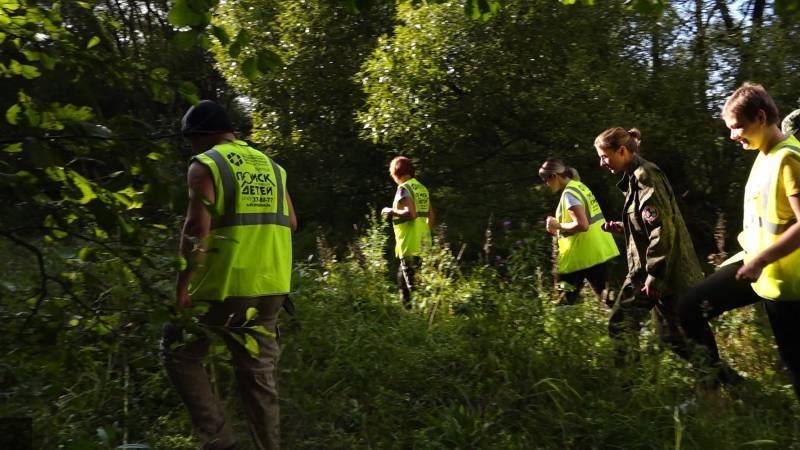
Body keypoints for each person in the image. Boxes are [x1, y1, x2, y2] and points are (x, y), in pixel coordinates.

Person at [162, 100, 297, 450]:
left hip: (221, 287)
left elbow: (195, 229)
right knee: (258, 374)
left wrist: (182, 287)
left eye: (191, 141)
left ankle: (219, 440)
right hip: (272, 284)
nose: (191, 148)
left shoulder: (206, 164)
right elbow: (292, 222)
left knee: (179, 349)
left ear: (201, 136)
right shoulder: (271, 166)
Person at [678, 83, 800, 397]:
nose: (733, 135)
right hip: (757, 270)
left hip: (786, 285)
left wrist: (760, 260)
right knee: (690, 308)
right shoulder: (764, 154)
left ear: (761, 117)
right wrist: (746, 259)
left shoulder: (789, 158)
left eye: (737, 127)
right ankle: (721, 387)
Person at [594, 127, 702, 367]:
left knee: (621, 325)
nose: (601, 163)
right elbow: (650, 222)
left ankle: (629, 388)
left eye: (604, 156)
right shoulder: (634, 178)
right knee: (671, 337)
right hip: (655, 272)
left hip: (656, 274)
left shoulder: (646, 176)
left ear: (622, 150)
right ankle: (725, 383)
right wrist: (625, 228)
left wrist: (654, 276)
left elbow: (663, 230)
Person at [539, 158, 619, 305]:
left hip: (579, 255)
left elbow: (583, 225)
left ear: (554, 176)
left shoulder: (569, 194)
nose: (546, 184)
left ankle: (625, 325)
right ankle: (627, 326)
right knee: (608, 299)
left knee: (563, 303)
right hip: (595, 251)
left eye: (546, 180)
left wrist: (558, 226)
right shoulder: (579, 187)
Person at [381, 156, 434, 306]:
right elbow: (431, 216)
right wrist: (424, 234)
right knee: (404, 283)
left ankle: (419, 322)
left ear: (396, 173)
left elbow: (411, 214)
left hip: (410, 245)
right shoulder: (422, 188)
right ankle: (410, 319)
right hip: (424, 244)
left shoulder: (404, 189)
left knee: (412, 290)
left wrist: (389, 210)